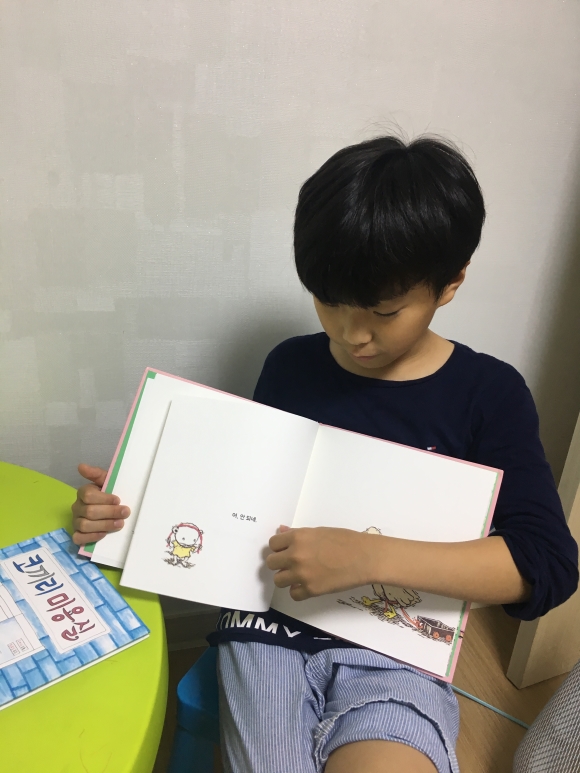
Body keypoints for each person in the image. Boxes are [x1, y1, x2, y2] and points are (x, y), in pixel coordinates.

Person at [71, 136, 578, 773]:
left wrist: (367, 557)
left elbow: (546, 564)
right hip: (269, 633)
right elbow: (237, 500)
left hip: (398, 647)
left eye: (384, 311)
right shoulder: (290, 365)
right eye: (328, 301)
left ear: (450, 283)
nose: (351, 333)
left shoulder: (489, 393)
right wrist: (128, 510)